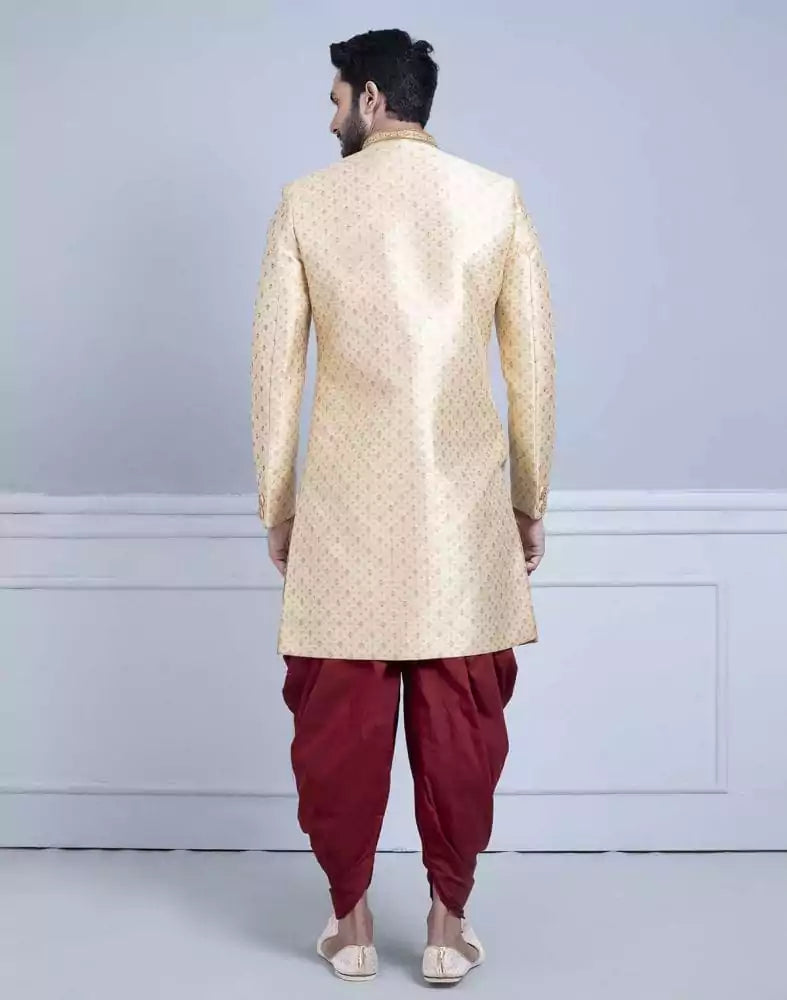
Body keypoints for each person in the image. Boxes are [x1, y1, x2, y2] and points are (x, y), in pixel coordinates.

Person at [250, 27, 556, 984]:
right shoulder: (493, 198)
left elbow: (274, 373)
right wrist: (528, 498)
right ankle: (444, 925)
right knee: (461, 719)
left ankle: (348, 925)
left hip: (344, 512)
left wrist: (278, 504)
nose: (330, 118)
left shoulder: (306, 203)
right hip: (462, 514)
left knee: (336, 726)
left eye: (336, 99)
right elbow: (532, 368)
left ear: (372, 100)